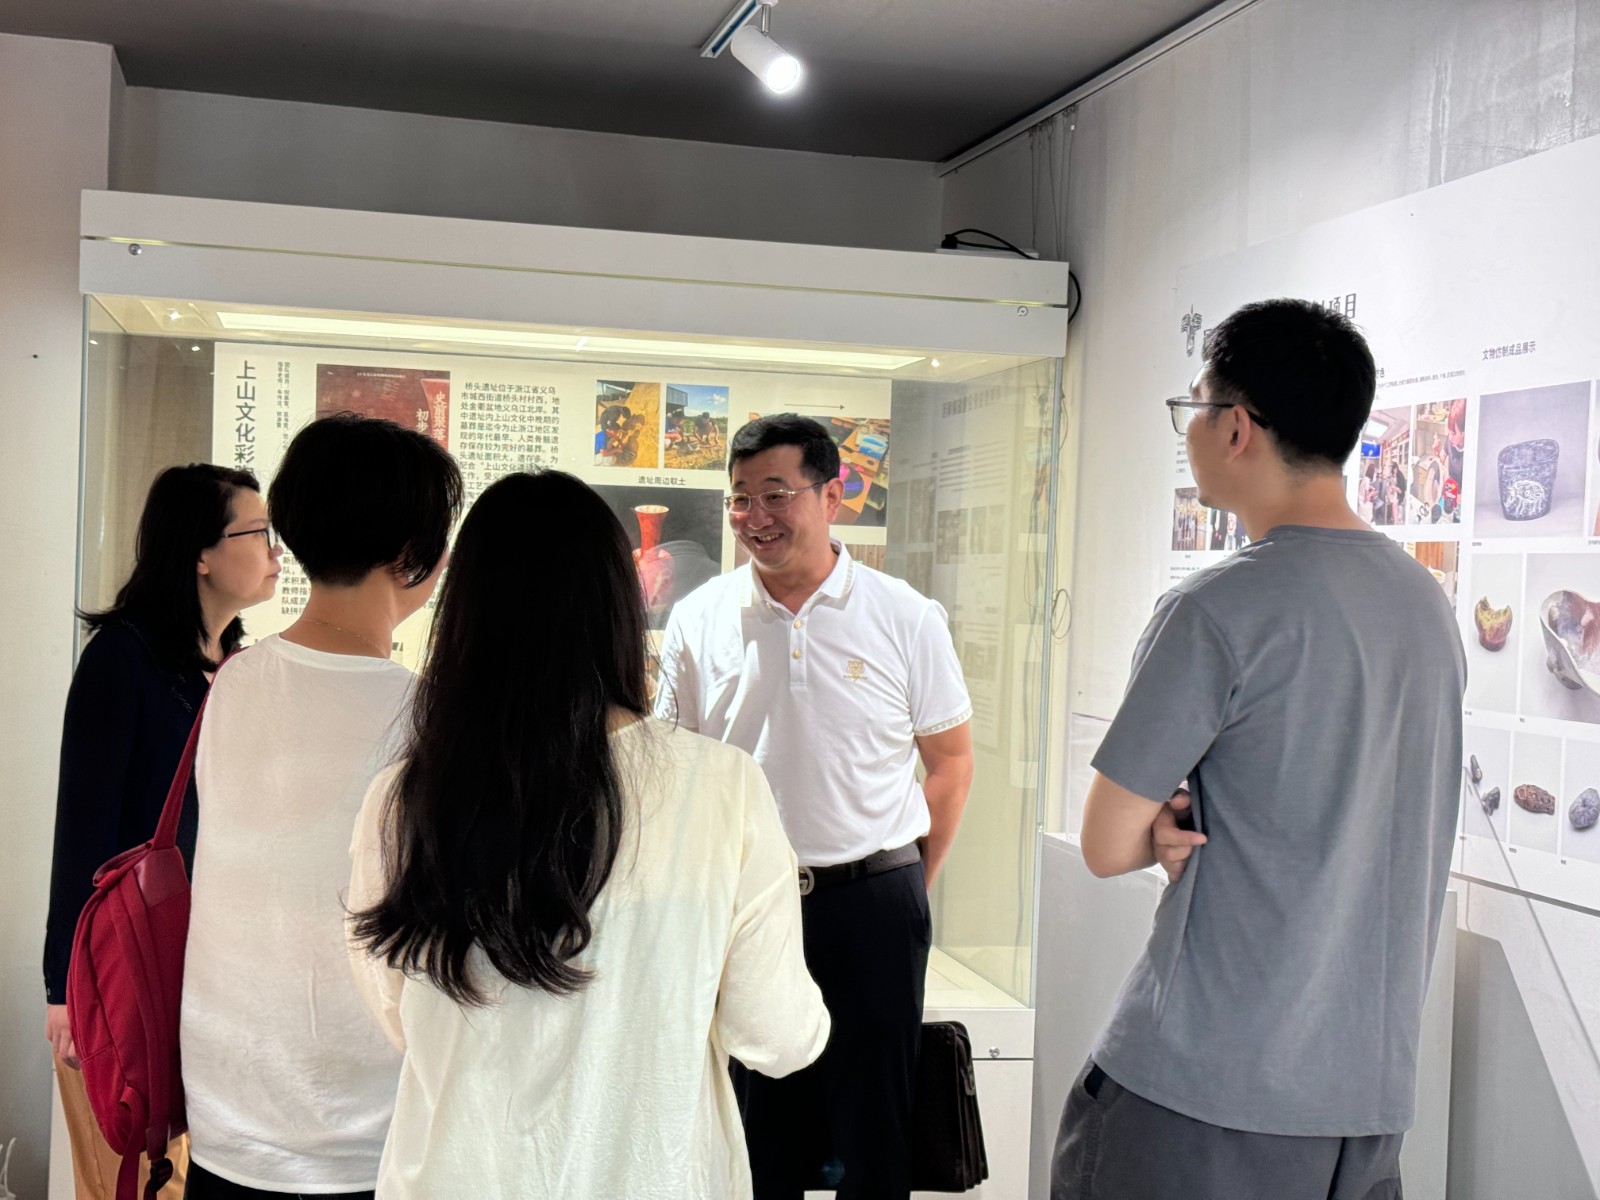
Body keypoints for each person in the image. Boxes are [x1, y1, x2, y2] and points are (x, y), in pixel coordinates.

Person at [1055, 300, 1465, 1200]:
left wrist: (1163, 821)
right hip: (1364, 1104)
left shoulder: (1215, 609)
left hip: (1204, 1091)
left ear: (1235, 426)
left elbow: (1105, 843)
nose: (1190, 432)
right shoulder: (1424, 604)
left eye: (1193, 408)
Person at [343, 471, 828, 1199]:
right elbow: (777, 1036)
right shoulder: (721, 786)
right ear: (616, 608)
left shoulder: (403, 798)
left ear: (465, 614)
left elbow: (400, 1013)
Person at [656, 413, 976, 1199]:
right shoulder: (700, 617)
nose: (755, 517)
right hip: (747, 904)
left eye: (776, 494)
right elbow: (675, 770)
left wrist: (908, 882)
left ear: (832, 497)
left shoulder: (904, 615)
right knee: (760, 1126)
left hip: (873, 900)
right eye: (740, 498)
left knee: (876, 1130)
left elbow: (951, 761)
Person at [180, 414, 462, 1199]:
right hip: (366, 1123)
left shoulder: (233, 680)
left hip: (228, 1106)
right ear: (411, 554)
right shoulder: (424, 715)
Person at [42, 464, 280, 1200]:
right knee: (120, 1172)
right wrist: (65, 987)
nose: (277, 552)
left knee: (184, 1173)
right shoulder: (122, 657)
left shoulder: (239, 666)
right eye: (259, 533)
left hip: (208, 965)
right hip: (127, 962)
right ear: (201, 553)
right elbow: (83, 825)